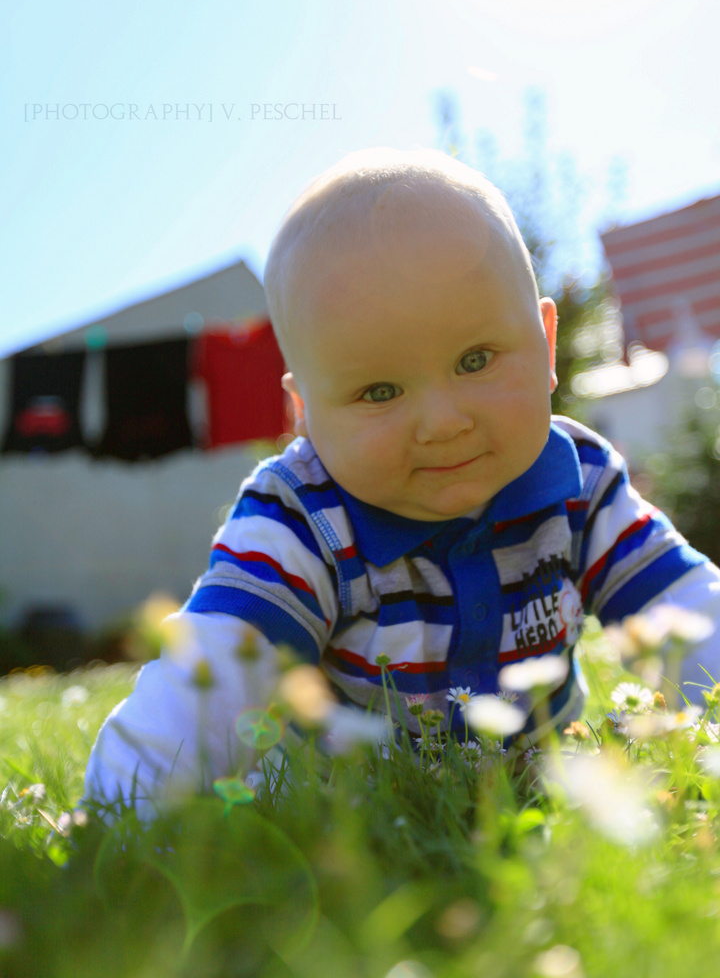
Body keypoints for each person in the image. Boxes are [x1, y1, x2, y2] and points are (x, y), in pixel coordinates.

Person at [84, 148, 720, 816]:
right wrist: (121, 821)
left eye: (476, 360)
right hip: (351, 819)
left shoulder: (579, 480)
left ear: (546, 342)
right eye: (379, 390)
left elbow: (686, 613)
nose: (443, 422)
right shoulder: (301, 520)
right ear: (304, 416)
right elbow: (206, 684)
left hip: (539, 792)